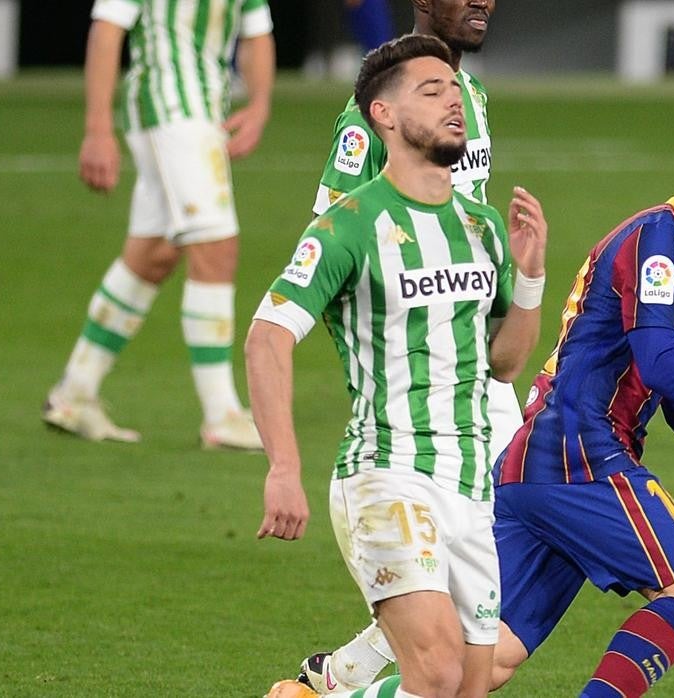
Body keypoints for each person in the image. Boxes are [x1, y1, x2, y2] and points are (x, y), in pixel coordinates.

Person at [291, 118, 674, 697]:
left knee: (485, 667)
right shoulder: (656, 243)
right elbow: (661, 361)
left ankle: (323, 694)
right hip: (580, 450)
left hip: (538, 461)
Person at [247, 34, 547, 698]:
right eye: (431, 91)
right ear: (382, 115)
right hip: (387, 472)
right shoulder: (348, 226)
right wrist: (283, 467)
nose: (454, 102)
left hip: (469, 487)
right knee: (436, 671)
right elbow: (267, 337)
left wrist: (529, 278)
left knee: (472, 683)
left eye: (456, 89)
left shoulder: (483, 226)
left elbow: (506, 363)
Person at [294, 2, 511, 692]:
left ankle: (340, 676)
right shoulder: (376, 111)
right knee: (470, 642)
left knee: (488, 573)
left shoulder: (469, 97)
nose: (483, 0)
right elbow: (330, 232)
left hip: (476, 359)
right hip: (419, 381)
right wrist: (392, 361)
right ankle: (346, 677)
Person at [41, 0, 275, 449]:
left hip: (200, 107)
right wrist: (96, 128)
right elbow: (107, 29)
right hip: (169, 107)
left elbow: (256, 29)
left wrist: (260, 104)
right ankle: (222, 414)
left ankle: (75, 392)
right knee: (215, 245)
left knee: (153, 255)